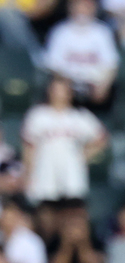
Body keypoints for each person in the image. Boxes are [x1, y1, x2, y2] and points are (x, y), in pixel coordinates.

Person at [20, 76, 106, 206]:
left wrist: (83, 156)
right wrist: (28, 174)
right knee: (45, 208)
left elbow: (101, 138)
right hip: (44, 170)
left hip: (71, 171)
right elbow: (29, 147)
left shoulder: (80, 116)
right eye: (55, 89)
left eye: (63, 90)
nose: (58, 93)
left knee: (71, 207)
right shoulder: (38, 115)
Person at [43, 0, 118, 110]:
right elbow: (52, 65)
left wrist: (104, 86)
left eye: (86, 6)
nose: (81, 10)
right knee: (57, 87)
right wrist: (67, 83)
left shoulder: (102, 31)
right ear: (71, 7)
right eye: (78, 5)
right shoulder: (60, 31)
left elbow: (112, 65)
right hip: (69, 83)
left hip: (95, 84)